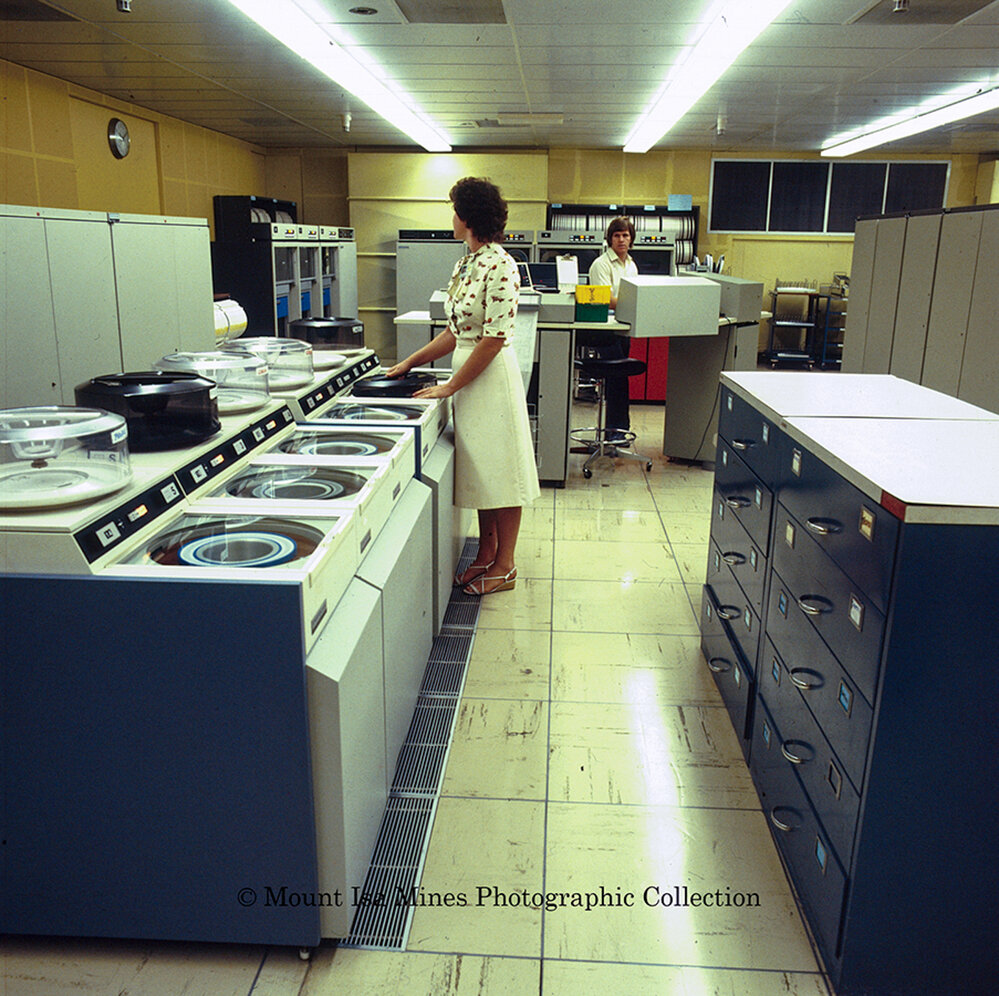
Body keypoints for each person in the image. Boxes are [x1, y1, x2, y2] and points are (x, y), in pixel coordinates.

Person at [386, 176, 540, 596]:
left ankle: (505, 565)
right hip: (469, 380)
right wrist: (409, 362)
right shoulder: (465, 262)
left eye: (455, 209)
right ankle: (485, 554)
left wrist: (449, 386)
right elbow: (456, 331)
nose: (451, 217)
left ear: (469, 216)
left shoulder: (502, 265)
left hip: (490, 380)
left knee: (503, 474)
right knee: (483, 472)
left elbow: (492, 339)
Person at [581, 216, 639, 440]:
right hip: (603, 333)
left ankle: (618, 431)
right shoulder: (601, 265)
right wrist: (632, 302)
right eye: (617, 235)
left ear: (631, 239)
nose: (622, 240)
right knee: (616, 379)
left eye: (625, 235)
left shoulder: (631, 265)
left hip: (624, 329)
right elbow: (604, 299)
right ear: (610, 239)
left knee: (621, 379)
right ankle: (614, 432)